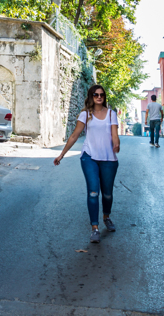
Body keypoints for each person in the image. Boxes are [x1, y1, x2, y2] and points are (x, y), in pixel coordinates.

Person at [54, 85, 120, 244]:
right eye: (95, 95)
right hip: (89, 156)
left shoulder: (111, 114)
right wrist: (62, 154)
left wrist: (116, 145)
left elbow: (115, 135)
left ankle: (106, 216)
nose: (99, 97)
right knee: (93, 192)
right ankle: (95, 228)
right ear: (91, 96)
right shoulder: (85, 114)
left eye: (102, 95)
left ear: (104, 97)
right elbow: (75, 135)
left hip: (109, 158)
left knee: (107, 194)